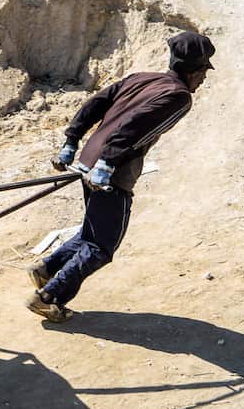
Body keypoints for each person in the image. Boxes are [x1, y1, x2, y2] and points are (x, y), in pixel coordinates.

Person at [26, 32, 216, 322]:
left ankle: (47, 269)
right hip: (111, 172)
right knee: (102, 246)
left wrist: (72, 141)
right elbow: (136, 128)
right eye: (204, 71)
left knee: (94, 231)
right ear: (195, 70)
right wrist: (108, 162)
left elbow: (95, 103)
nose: (203, 80)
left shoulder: (142, 78)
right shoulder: (178, 97)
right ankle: (50, 297)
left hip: (90, 159)